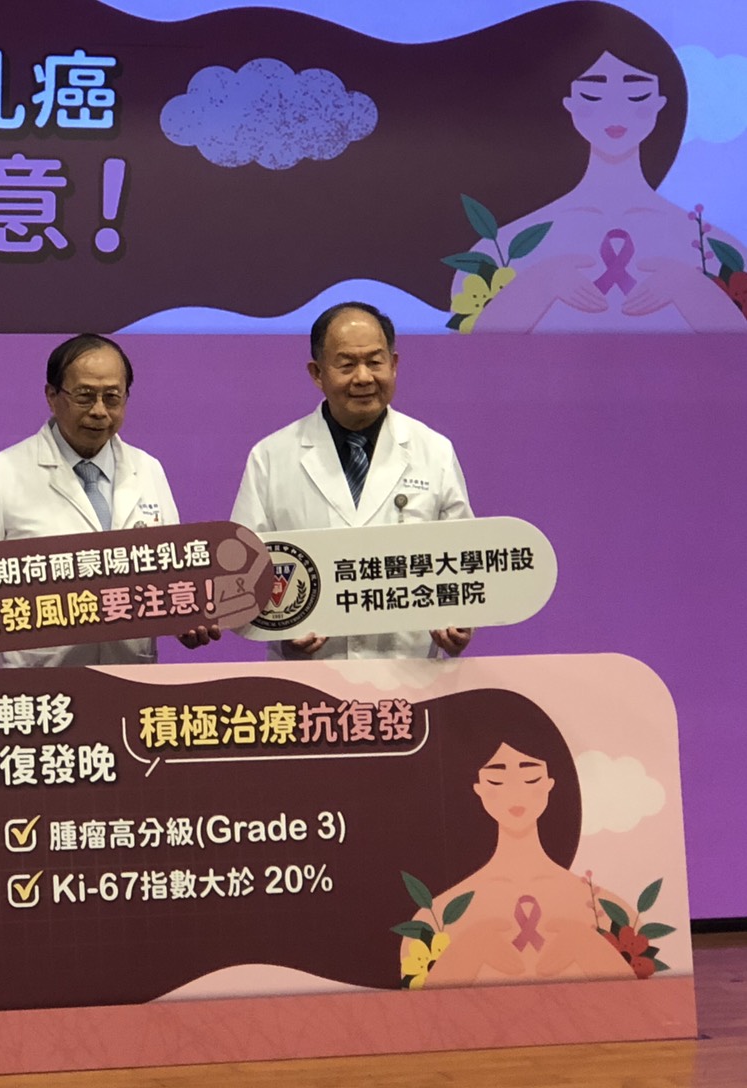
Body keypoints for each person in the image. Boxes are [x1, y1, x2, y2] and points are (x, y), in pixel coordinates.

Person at [0, 333, 214, 667]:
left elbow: (173, 573)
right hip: (37, 679)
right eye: (85, 396)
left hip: (129, 675)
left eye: (112, 398)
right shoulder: (4, 470)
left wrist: (186, 619)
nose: (99, 411)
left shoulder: (148, 469)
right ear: (52, 396)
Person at [231, 302, 472, 660]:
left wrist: (461, 622)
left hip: (409, 674)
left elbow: (466, 561)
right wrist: (281, 632)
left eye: (375, 362)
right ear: (317, 373)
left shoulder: (433, 450)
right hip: (307, 679)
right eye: (346, 365)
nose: (363, 378)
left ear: (394, 364)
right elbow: (240, 580)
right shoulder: (271, 457)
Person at [456, 50, 747, 333]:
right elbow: (466, 354)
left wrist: (690, 290)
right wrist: (540, 284)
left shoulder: (714, 249)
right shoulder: (500, 248)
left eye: (637, 95)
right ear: (569, 102)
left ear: (660, 102)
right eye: (592, 95)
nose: (616, 111)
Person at [404, 690, 633, 986]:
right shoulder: (434, 917)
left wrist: (588, 948)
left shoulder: (609, 909)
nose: (515, 792)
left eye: (531, 777)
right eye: (496, 779)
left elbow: (645, 1003)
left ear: (550, 782)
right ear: (478, 787)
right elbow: (420, 1008)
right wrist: (469, 952)